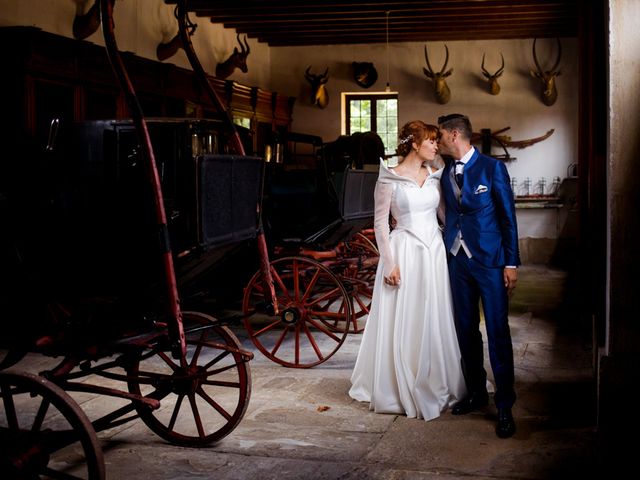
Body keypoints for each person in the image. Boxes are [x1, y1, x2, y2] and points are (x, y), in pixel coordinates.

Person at [349, 120, 465, 421]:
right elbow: (380, 225)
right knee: (408, 314)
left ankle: (437, 377)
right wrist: (389, 263)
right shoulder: (389, 178)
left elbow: (443, 215)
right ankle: (400, 381)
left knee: (434, 313)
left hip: (433, 253)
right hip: (405, 252)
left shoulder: (434, 176)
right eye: (430, 141)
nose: (435, 145)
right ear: (415, 143)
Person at [437, 113, 520, 438]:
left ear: (455, 135)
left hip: (491, 262)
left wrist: (511, 263)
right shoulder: (445, 173)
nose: (439, 141)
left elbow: (508, 218)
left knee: (498, 330)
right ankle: (476, 392)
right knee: (465, 329)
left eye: (441, 136)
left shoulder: (492, 168)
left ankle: (504, 405)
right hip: (457, 261)